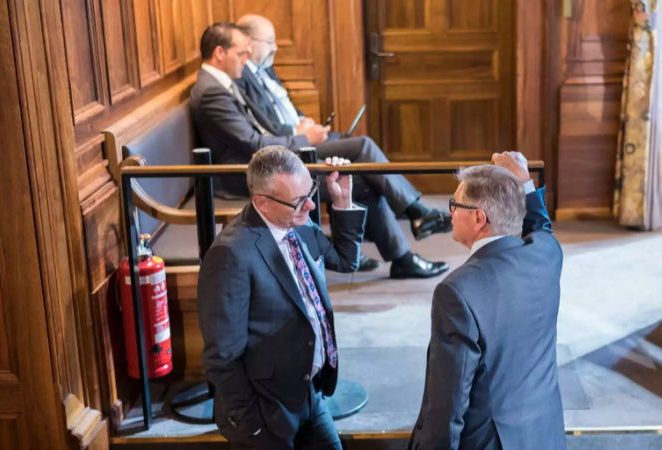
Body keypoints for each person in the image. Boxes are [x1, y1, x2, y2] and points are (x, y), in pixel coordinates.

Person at [190, 22, 448, 278]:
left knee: (363, 170)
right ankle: (405, 236)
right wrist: (302, 138)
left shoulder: (222, 83)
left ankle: (400, 248)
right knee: (363, 172)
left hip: (266, 164)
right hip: (245, 177)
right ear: (220, 53)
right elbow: (253, 145)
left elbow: (261, 129)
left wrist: (300, 132)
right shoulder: (212, 91)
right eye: (240, 53)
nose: (246, 60)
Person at [199, 147, 356, 449]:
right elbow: (222, 356)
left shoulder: (299, 223)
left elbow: (346, 260)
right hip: (266, 411)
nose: (310, 205)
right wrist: (251, 426)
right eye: (299, 202)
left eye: (310, 192)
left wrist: (342, 199)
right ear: (261, 202)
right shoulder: (230, 254)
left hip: (309, 395)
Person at [409, 151, 566, 450]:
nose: (450, 212)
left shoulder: (457, 292)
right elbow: (542, 229)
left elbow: (449, 404)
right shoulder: (547, 255)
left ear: (479, 218)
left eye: (455, 205)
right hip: (543, 435)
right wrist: (525, 183)